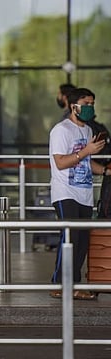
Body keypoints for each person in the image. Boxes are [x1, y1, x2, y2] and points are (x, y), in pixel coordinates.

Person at [48, 87, 107, 300]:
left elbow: (86, 162)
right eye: (86, 104)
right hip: (65, 192)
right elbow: (61, 162)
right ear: (73, 106)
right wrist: (86, 151)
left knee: (82, 241)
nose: (90, 108)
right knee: (69, 238)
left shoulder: (88, 131)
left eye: (92, 104)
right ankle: (58, 284)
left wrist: (106, 170)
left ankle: (74, 285)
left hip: (84, 193)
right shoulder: (61, 130)